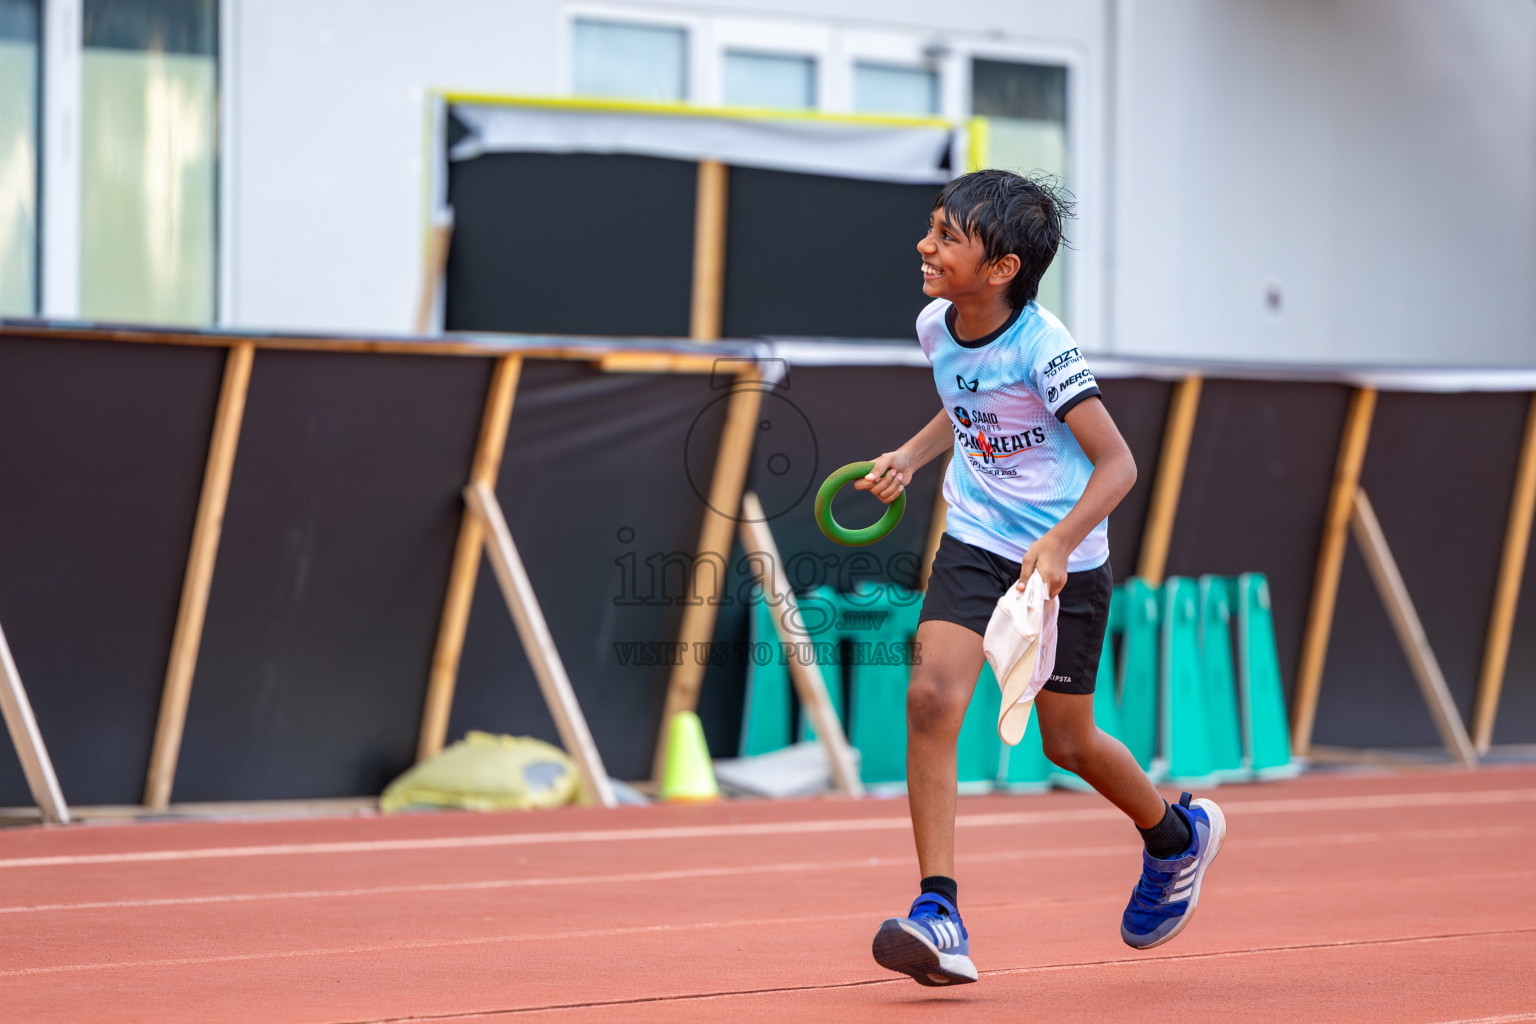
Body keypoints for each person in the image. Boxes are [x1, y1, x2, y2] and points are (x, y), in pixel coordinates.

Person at [856, 169, 1226, 987]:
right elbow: (965, 402)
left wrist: (1059, 545)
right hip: (977, 537)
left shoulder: (1044, 347)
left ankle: (1174, 837)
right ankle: (938, 911)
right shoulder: (935, 324)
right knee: (929, 697)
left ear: (1002, 270)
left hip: (1063, 563)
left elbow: (1118, 464)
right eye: (932, 227)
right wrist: (911, 458)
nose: (926, 244)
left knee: (1068, 741)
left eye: (949, 236)